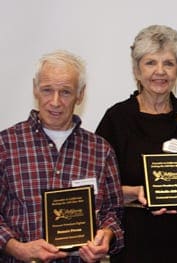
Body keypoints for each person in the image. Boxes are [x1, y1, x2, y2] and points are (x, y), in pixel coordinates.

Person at [95, 25, 177, 263]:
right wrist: (137, 193)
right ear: (136, 70)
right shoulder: (117, 118)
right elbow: (98, 192)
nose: (160, 72)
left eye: (169, 63)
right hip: (134, 242)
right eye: (150, 63)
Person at [0, 50, 124, 262]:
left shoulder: (100, 150)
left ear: (80, 94)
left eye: (65, 92)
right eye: (47, 90)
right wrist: (17, 248)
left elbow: (113, 213)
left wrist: (107, 235)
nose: (55, 102)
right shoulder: (6, 144)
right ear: (35, 89)